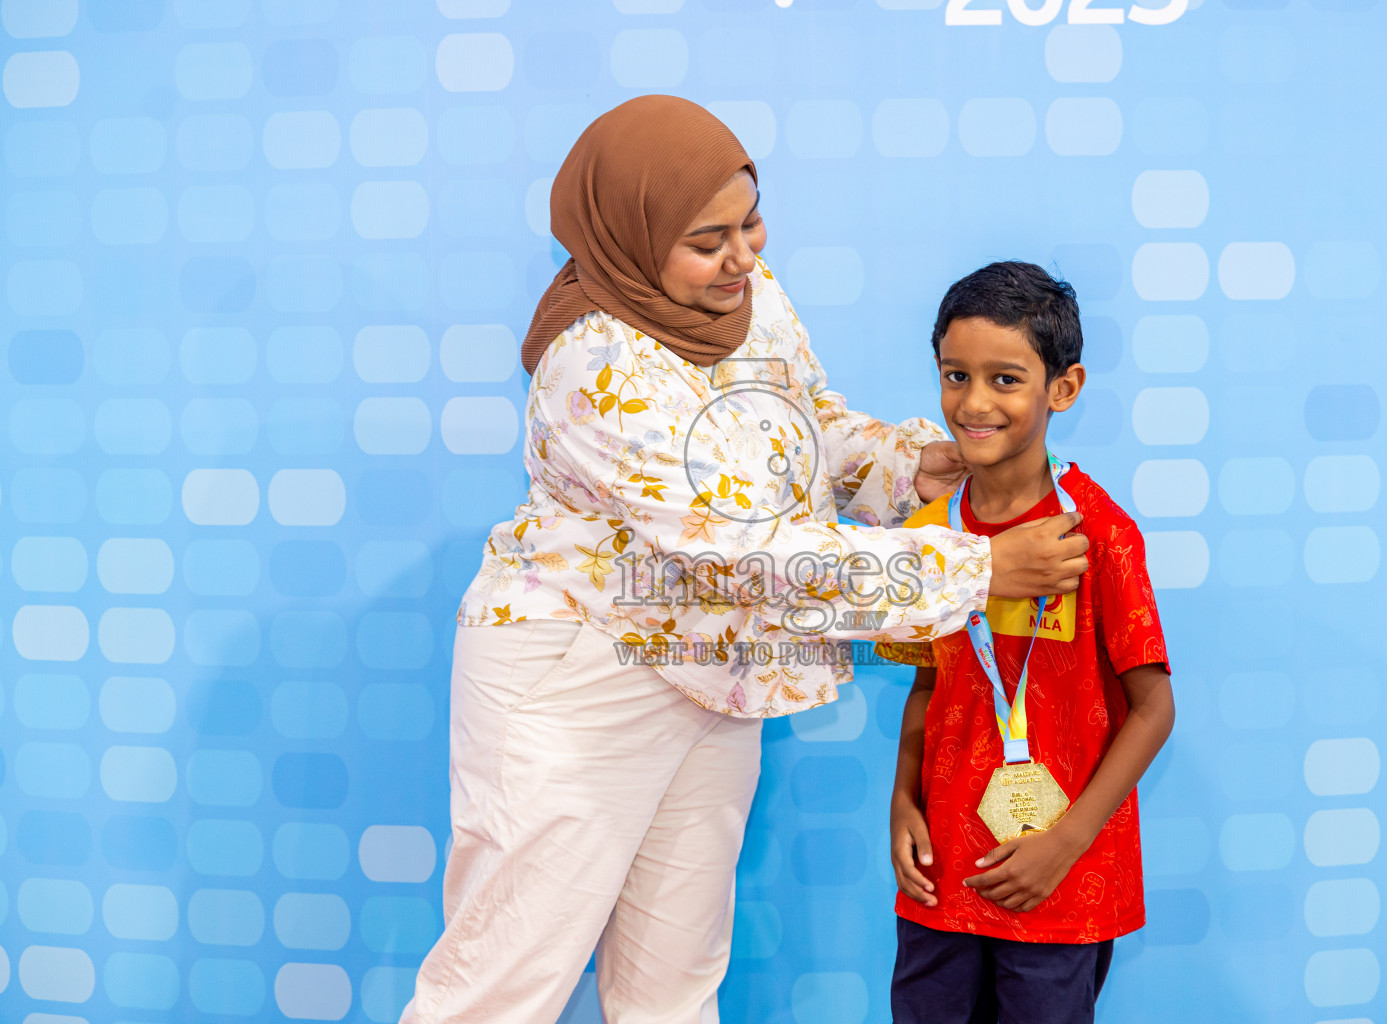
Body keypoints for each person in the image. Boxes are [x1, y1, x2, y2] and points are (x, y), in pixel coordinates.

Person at [399, 99, 1093, 1024]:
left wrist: (904, 466)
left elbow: (799, 426)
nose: (741, 256)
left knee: (676, 983)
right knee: (503, 980)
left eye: (750, 223)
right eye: (706, 241)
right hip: (583, 675)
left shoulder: (747, 294)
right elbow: (743, 551)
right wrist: (973, 569)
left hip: (715, 670)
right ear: (633, 237)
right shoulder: (594, 365)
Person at [877, 261, 1176, 1024]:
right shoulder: (930, 536)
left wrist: (1066, 843)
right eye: (956, 375)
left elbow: (1153, 709)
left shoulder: (1099, 535)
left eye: (1005, 380)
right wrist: (903, 801)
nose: (974, 403)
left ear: (1062, 388)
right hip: (943, 873)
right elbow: (927, 685)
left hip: (1056, 880)